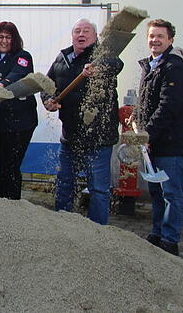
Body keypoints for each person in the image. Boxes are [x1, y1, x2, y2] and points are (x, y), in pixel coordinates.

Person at [43, 18, 122, 225]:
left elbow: (116, 64)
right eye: (77, 31)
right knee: (65, 183)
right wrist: (48, 100)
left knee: (98, 188)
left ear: (95, 37)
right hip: (70, 136)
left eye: (86, 31)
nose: (81, 34)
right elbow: (47, 84)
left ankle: (96, 231)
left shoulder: (103, 56)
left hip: (98, 137)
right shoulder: (63, 58)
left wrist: (98, 67)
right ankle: (63, 225)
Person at [136, 19, 183, 256]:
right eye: (151, 36)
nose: (155, 40)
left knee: (171, 193)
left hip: (168, 142)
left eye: (160, 36)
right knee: (157, 192)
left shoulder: (174, 67)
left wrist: (148, 134)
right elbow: (146, 103)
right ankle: (157, 232)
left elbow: (168, 107)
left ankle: (170, 240)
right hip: (152, 140)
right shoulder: (150, 65)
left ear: (170, 40)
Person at [0, 21, 38, 200]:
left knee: (10, 166)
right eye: (1, 37)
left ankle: (13, 207)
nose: (4, 41)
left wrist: (0, 86)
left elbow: (17, 75)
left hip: (19, 122)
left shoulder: (23, 56)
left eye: (8, 37)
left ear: (15, 40)